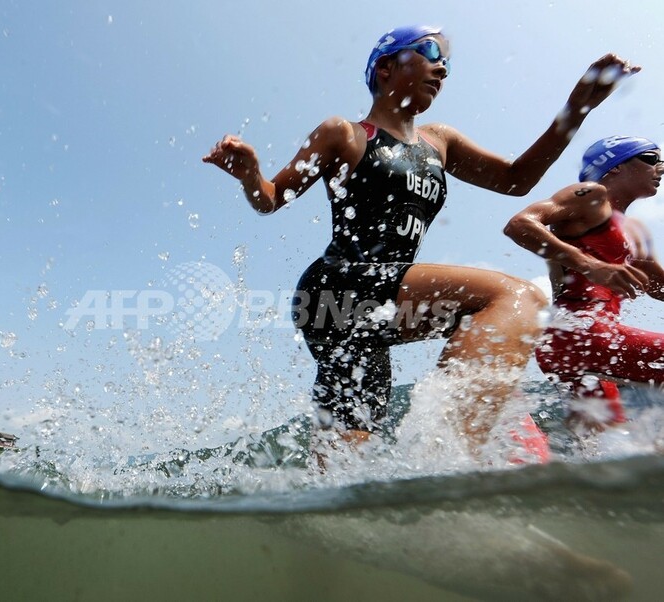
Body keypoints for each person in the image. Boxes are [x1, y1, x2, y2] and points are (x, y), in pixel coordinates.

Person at [203, 25, 638, 456]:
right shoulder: (343, 133)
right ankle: (455, 450)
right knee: (517, 296)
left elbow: (516, 180)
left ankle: (341, 495)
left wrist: (577, 108)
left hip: (372, 314)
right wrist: (250, 175)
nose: (442, 68)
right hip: (338, 285)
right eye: (430, 52)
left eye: (446, 62)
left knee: (345, 455)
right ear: (386, 67)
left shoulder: (439, 141)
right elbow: (271, 199)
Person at [505, 136, 664, 433]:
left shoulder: (630, 233)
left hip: (574, 343)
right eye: (651, 159)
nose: (661, 167)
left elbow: (658, 286)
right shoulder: (592, 195)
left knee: (606, 445)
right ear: (614, 166)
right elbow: (520, 224)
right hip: (582, 332)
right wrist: (589, 265)